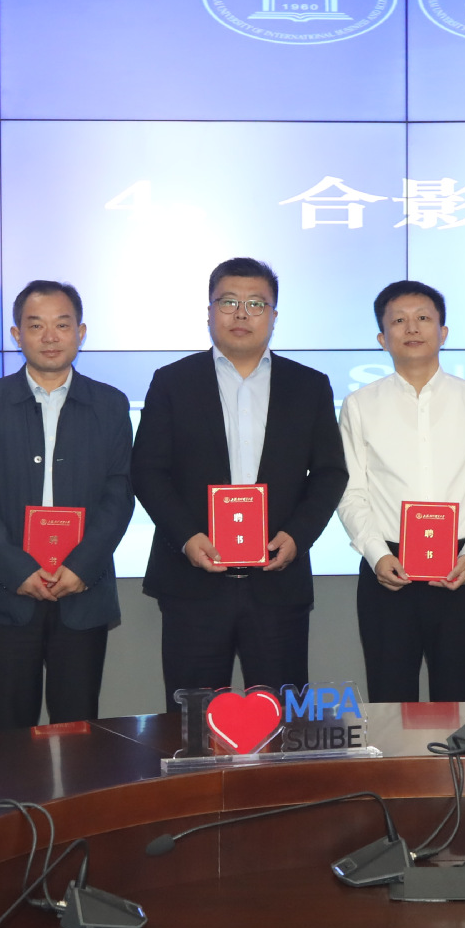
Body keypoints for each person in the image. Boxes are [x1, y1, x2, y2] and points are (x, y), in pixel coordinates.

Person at [132, 258, 348, 707]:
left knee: (282, 721)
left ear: (274, 315)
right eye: (228, 302)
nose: (241, 313)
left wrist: (298, 536)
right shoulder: (172, 382)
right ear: (209, 311)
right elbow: (148, 471)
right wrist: (187, 538)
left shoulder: (309, 385)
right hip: (193, 581)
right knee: (192, 723)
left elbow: (330, 473)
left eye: (256, 303)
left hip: (277, 581)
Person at [0, 280, 134, 729]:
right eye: (36, 326)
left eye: (62, 325)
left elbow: (119, 493)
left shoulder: (110, 404)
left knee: (78, 727)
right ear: (17, 335)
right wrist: (17, 570)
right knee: (10, 732)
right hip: (7, 589)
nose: (50, 337)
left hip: (83, 588)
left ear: (81, 332)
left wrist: (82, 566)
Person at [339, 281, 465, 703]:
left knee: (457, 701)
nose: (412, 328)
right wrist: (376, 555)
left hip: (460, 568)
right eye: (398, 320)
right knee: (389, 701)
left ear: (443, 331)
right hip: (387, 570)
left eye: (423, 318)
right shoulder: (359, 405)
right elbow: (351, 493)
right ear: (382, 338)